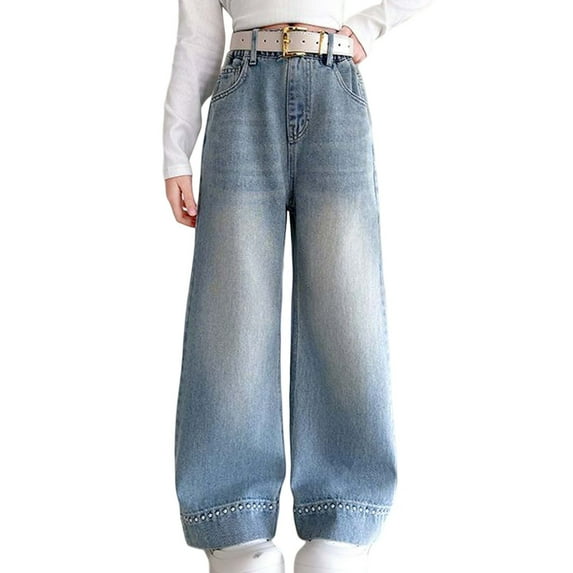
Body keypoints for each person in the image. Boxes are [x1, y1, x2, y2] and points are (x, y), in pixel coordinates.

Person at [162, 2, 432, 572]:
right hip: (242, 91)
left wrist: (367, 28)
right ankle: (234, 525)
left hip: (335, 83)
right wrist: (175, 151)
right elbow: (197, 37)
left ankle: (343, 520)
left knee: (347, 306)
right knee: (231, 310)